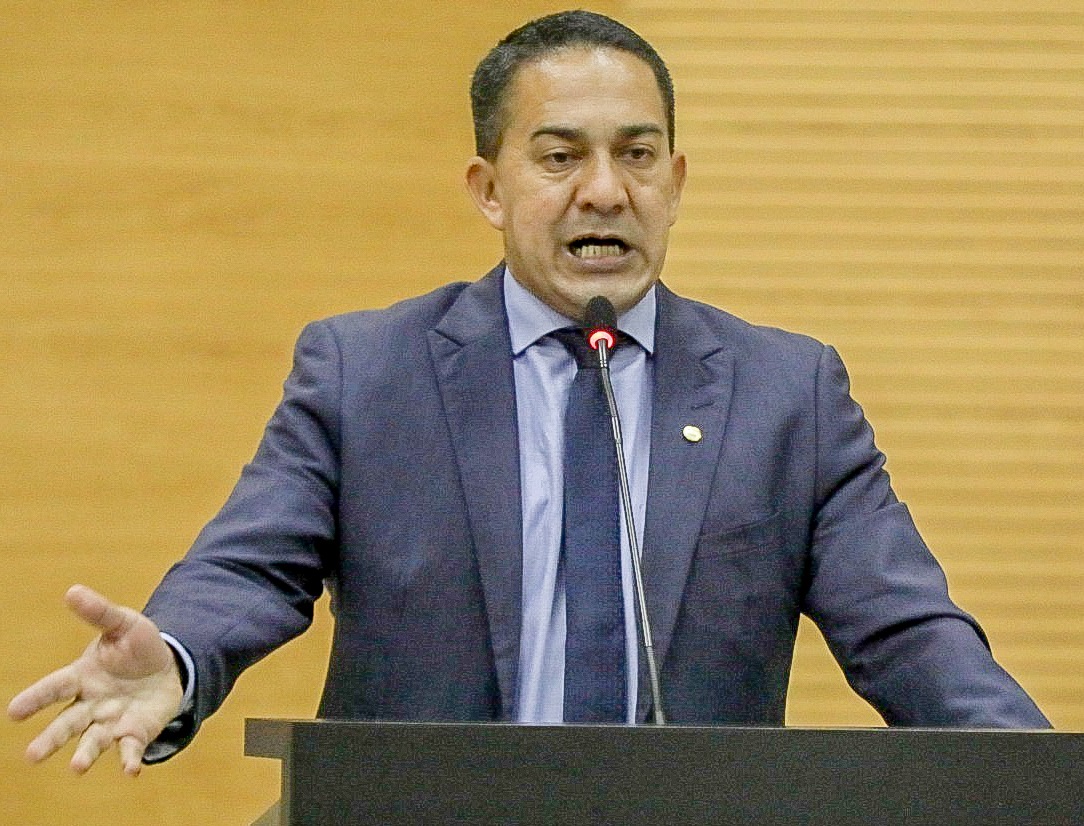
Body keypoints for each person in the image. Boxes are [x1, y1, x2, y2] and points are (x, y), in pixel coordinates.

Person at [8, 10, 1049, 778]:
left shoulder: (787, 394)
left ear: (676, 182)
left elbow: (908, 635)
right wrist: (178, 654)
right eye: (560, 157)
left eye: (637, 156)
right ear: (489, 190)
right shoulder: (368, 373)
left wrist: (1039, 777)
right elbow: (251, 565)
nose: (606, 190)